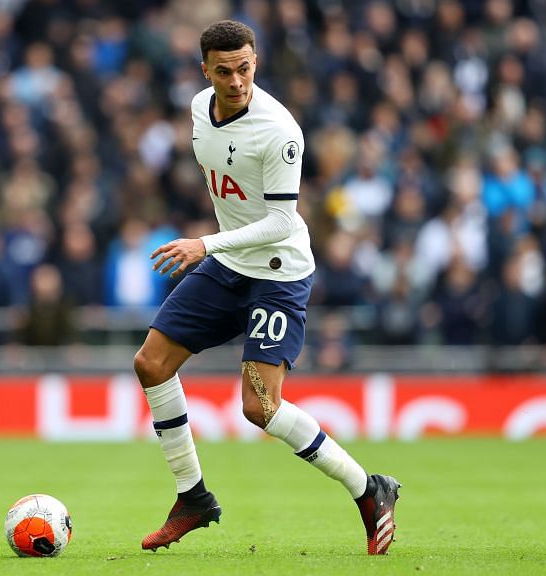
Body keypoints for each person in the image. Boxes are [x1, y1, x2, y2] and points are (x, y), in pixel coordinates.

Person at [133, 20, 400, 556]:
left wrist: (205, 244)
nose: (236, 81)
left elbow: (282, 221)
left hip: (278, 271)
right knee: (151, 363)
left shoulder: (279, 131)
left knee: (259, 407)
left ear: (256, 63)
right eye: (225, 71)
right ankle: (193, 498)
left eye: (246, 68)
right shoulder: (195, 111)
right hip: (232, 262)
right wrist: (220, 247)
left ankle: (369, 488)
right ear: (205, 70)